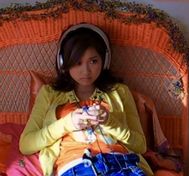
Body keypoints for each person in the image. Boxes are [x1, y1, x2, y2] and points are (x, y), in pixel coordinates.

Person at [19, 23, 153, 176]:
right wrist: (67, 123)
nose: (86, 71)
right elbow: (26, 144)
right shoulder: (49, 93)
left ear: (104, 60)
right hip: (77, 167)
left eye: (93, 61)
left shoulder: (119, 91)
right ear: (63, 62)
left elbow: (140, 146)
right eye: (77, 62)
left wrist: (109, 121)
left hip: (122, 165)